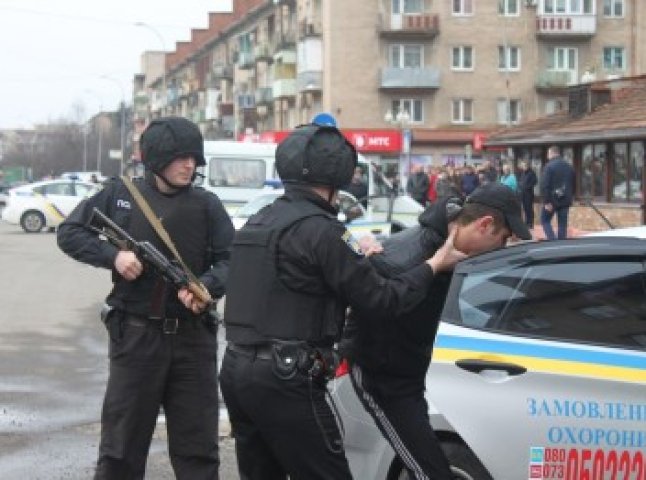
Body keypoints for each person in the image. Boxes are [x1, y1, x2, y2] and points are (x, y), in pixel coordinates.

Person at [219, 123, 467, 480]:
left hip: (237, 372)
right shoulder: (325, 231)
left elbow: (292, 282)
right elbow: (382, 300)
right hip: (287, 378)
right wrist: (434, 264)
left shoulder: (259, 221)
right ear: (338, 178)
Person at [57, 116, 235, 480]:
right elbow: (70, 233)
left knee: (198, 451)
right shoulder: (119, 196)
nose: (190, 165)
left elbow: (233, 261)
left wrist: (206, 286)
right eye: (181, 158)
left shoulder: (207, 205)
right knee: (121, 448)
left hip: (192, 340)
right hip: (137, 337)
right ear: (156, 159)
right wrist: (114, 257)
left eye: (194, 159)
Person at [345, 182, 532, 480]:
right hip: (382, 376)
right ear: (484, 225)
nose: (502, 248)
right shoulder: (404, 257)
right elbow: (371, 303)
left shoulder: (454, 244)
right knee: (430, 472)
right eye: (504, 239)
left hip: (409, 373)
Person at [540, 145, 575, 240]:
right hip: (565, 200)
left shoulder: (549, 166)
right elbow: (573, 183)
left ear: (552, 153)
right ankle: (561, 246)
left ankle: (552, 241)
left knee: (544, 220)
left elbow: (545, 185)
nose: (547, 156)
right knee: (562, 225)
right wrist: (572, 197)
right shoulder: (569, 166)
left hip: (552, 200)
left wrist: (546, 201)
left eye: (548, 153)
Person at [517, 160, 537, 228]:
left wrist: (527, 187)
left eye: (524, 165)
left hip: (529, 194)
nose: (523, 167)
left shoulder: (531, 173)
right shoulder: (523, 173)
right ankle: (527, 222)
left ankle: (530, 223)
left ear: (527, 166)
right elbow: (520, 181)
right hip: (523, 194)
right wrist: (520, 185)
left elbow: (535, 181)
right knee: (525, 208)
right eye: (522, 166)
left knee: (529, 209)